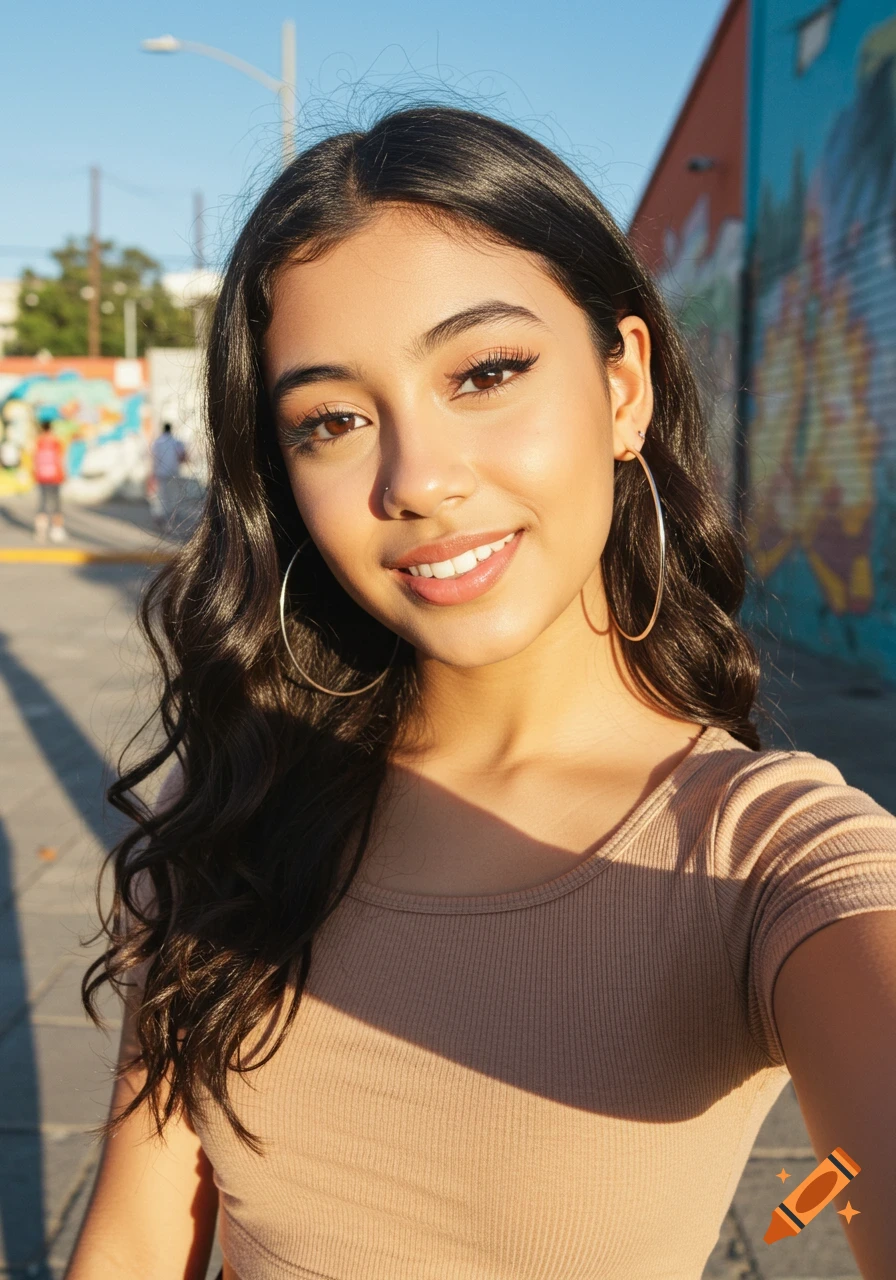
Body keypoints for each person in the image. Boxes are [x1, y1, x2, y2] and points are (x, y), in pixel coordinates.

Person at [68, 108, 896, 1280]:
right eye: (332, 420)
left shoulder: (765, 855)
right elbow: (138, 1237)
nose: (418, 479)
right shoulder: (247, 796)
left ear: (623, 388)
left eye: (485, 371)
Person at [32, 417, 66, 543]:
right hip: (55, 476)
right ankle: (57, 530)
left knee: (42, 503)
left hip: (41, 476)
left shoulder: (38, 441)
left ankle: (41, 532)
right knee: (56, 504)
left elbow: (34, 459)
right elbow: (60, 459)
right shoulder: (56, 442)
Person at [149, 421, 187, 531]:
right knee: (172, 497)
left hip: (160, 473)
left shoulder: (157, 442)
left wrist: (153, 472)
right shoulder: (176, 442)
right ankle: (168, 520)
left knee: (161, 496)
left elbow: (153, 458)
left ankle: (160, 516)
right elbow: (182, 456)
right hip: (173, 473)